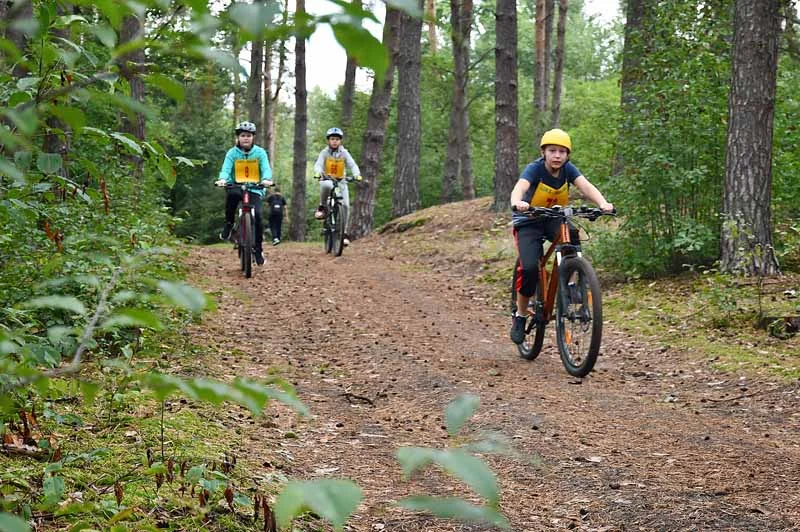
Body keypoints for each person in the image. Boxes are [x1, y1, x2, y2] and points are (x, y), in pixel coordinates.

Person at [509, 128, 614, 344]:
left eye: (562, 152)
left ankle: (572, 281)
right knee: (529, 269)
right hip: (529, 221)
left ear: (567, 155)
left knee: (572, 237)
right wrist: (518, 202)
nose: (557, 156)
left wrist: (602, 203)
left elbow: (585, 186)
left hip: (553, 218)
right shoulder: (535, 169)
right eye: (552, 151)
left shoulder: (568, 170)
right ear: (544, 152)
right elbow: (520, 187)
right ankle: (520, 315)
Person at [214, 121, 273, 266]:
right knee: (232, 197)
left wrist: (266, 179)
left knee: (258, 216)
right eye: (243, 135)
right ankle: (229, 224)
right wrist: (223, 179)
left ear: (253, 137)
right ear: (238, 137)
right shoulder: (232, 153)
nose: (245, 138)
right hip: (236, 186)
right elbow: (226, 169)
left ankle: (258, 249)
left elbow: (266, 168)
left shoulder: (260, 153)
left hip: (255, 188)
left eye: (248, 136)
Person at [313, 127, 362, 246]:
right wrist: (318, 173)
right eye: (332, 139)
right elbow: (318, 165)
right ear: (328, 140)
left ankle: (344, 233)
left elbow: (353, 165)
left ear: (340, 141)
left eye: (337, 139)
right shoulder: (324, 153)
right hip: (327, 179)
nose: (334, 141)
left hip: (341, 181)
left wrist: (357, 174)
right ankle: (322, 206)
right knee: (326, 185)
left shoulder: (344, 153)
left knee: (345, 205)